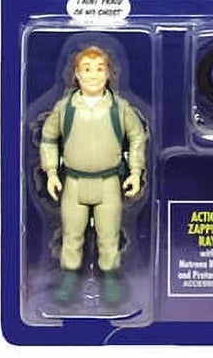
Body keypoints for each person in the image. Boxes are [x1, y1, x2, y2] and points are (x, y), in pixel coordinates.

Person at [40, 45, 147, 303]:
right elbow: (48, 139)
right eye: (87, 69)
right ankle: (69, 276)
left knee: (108, 235)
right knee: (72, 234)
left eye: (99, 69)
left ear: (109, 73)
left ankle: (110, 276)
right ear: (76, 74)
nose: (93, 75)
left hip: (108, 183)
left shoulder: (119, 108)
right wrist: (51, 172)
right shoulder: (65, 108)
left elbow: (137, 137)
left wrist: (135, 172)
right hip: (74, 183)